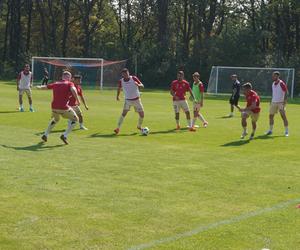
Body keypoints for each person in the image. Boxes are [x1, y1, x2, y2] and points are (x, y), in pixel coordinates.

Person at [36, 71, 80, 145]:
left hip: (54, 107)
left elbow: (45, 87)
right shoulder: (70, 83)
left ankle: (45, 135)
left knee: (56, 119)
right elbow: (73, 89)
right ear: (68, 77)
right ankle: (64, 135)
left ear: (62, 77)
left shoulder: (56, 83)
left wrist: (38, 87)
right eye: (70, 77)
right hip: (64, 108)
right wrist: (78, 100)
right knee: (75, 120)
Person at [114, 68, 144, 134]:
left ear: (128, 73)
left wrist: (138, 85)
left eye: (127, 74)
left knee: (142, 115)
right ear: (122, 75)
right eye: (124, 74)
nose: (126, 75)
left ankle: (139, 126)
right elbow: (119, 88)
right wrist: (117, 96)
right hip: (128, 100)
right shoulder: (121, 81)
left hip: (137, 100)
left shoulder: (134, 78)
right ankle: (118, 128)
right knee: (123, 114)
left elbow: (142, 85)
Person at [265, 71, 289, 136]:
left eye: (274, 76)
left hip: (280, 102)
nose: (273, 77)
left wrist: (285, 101)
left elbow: (286, 92)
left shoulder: (281, 83)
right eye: (273, 75)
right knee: (270, 116)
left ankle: (286, 131)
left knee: (283, 116)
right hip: (273, 102)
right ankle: (270, 130)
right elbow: (274, 93)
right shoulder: (273, 83)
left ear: (278, 76)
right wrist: (271, 101)